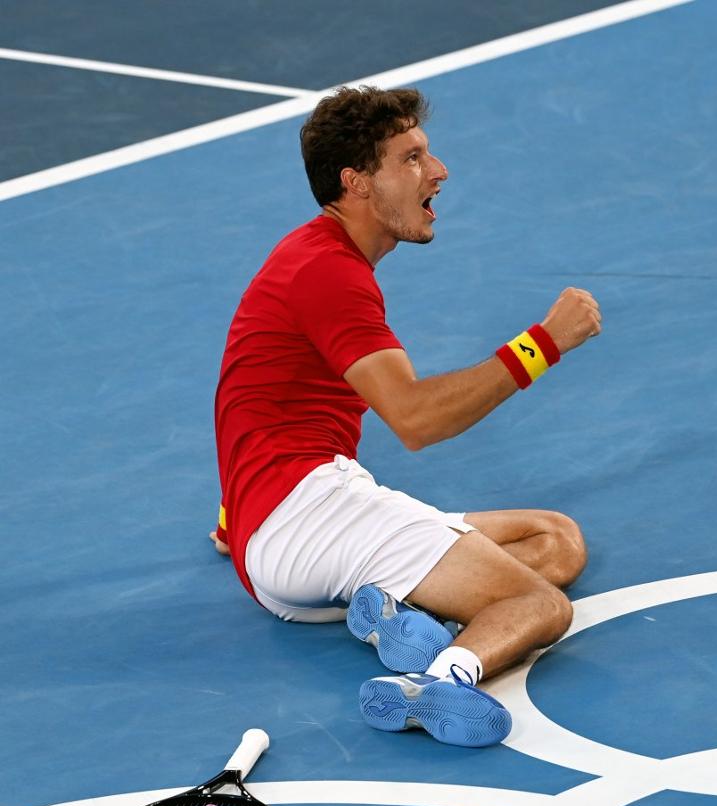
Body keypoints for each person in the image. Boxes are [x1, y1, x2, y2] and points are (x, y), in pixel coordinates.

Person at [211, 85, 601, 748]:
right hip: (312, 514)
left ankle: (390, 618)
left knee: (555, 539)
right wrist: (543, 345)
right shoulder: (330, 274)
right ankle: (443, 677)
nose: (439, 171)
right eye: (413, 158)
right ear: (356, 182)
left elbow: (249, 397)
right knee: (539, 604)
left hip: (274, 542)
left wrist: (237, 516)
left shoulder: (308, 257)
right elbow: (416, 420)